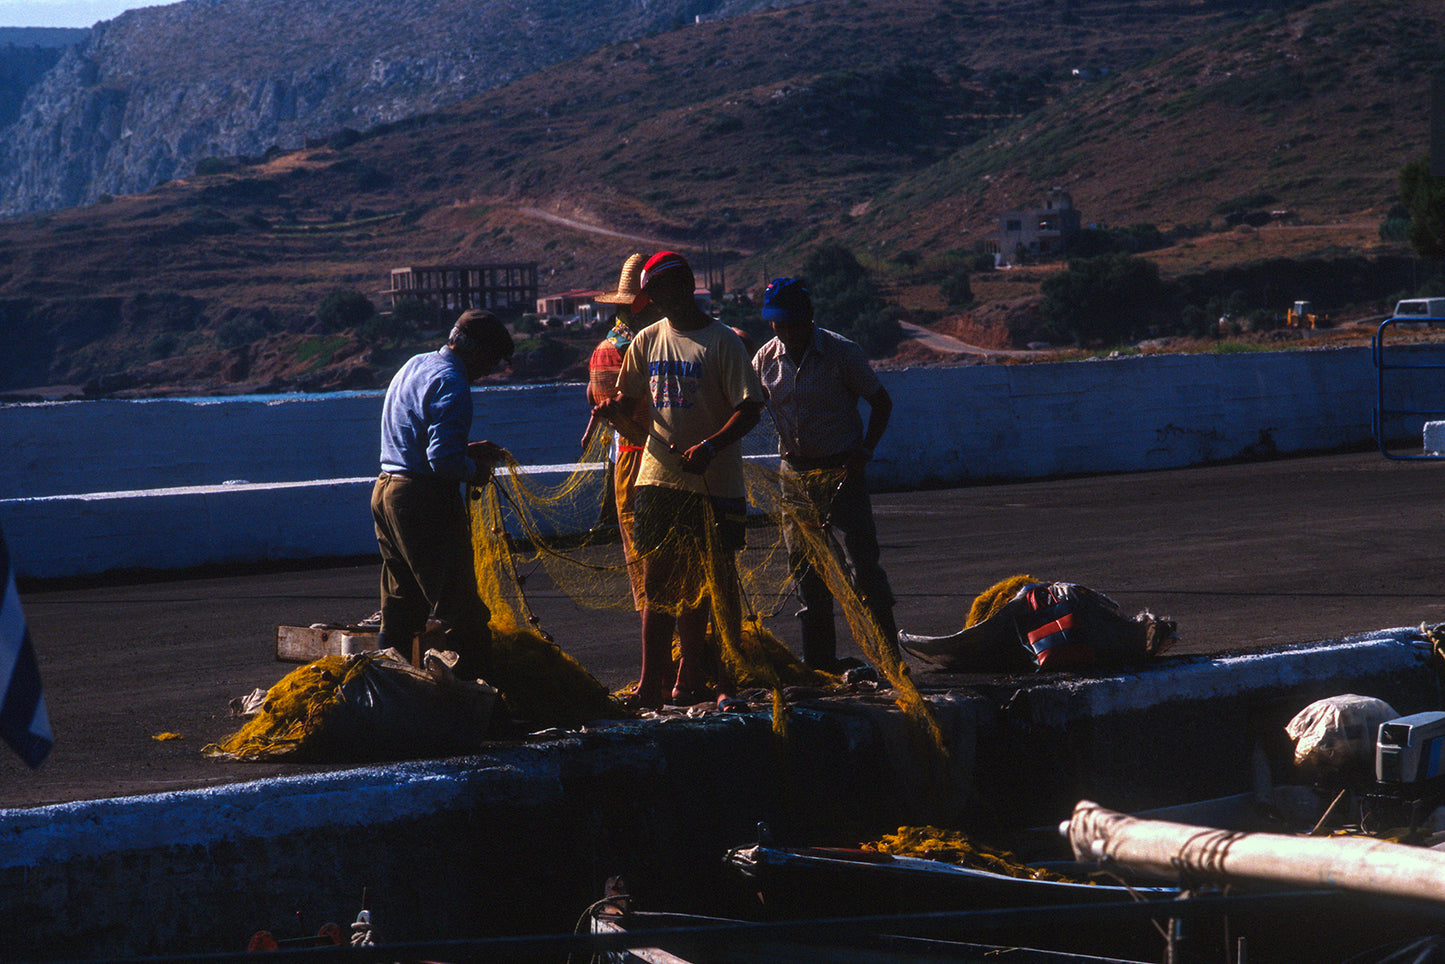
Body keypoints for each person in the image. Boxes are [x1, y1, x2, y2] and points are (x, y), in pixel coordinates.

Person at [593, 251, 765, 709]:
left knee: (717, 584)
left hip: (716, 482)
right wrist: (613, 417)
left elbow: (750, 409)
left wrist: (710, 446)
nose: (654, 301)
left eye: (663, 290)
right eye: (650, 294)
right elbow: (634, 418)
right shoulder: (647, 341)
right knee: (660, 586)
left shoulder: (723, 341)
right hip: (657, 481)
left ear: (686, 286)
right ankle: (654, 685)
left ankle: (723, 681)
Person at [751, 277, 897, 671]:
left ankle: (890, 659)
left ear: (810, 318)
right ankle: (819, 662)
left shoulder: (840, 352)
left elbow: (881, 403)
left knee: (861, 565)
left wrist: (865, 451)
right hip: (794, 473)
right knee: (803, 568)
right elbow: (749, 407)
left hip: (842, 469)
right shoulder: (764, 360)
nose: (787, 332)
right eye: (779, 324)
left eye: (793, 323)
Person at [371, 308, 514, 681]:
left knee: (401, 603)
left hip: (387, 490)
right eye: (492, 360)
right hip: (421, 499)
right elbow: (441, 461)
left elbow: (418, 436)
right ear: (478, 353)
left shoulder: (416, 365)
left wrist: (464, 450)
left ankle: (396, 691)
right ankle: (483, 702)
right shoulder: (454, 383)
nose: (489, 370)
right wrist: (475, 469)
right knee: (459, 605)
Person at [584, 253, 662, 611]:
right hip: (659, 459)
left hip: (627, 462)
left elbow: (593, 398)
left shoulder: (602, 351)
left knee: (640, 554)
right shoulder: (652, 347)